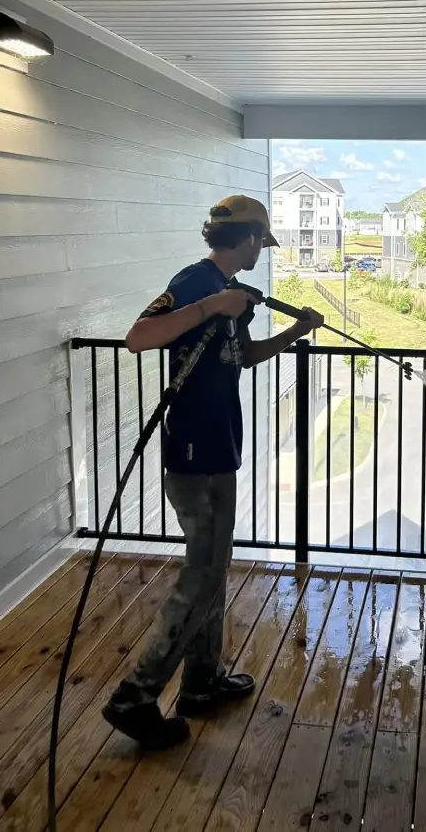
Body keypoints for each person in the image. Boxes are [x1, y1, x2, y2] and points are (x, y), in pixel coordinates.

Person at [102, 195, 323, 749]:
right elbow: (138, 337)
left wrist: (294, 332)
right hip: (193, 455)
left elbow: (241, 356)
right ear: (247, 239)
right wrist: (212, 305)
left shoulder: (232, 294)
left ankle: (201, 683)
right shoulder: (196, 282)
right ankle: (135, 697)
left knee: (213, 569)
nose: (260, 252)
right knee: (201, 575)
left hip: (220, 449)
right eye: (260, 243)